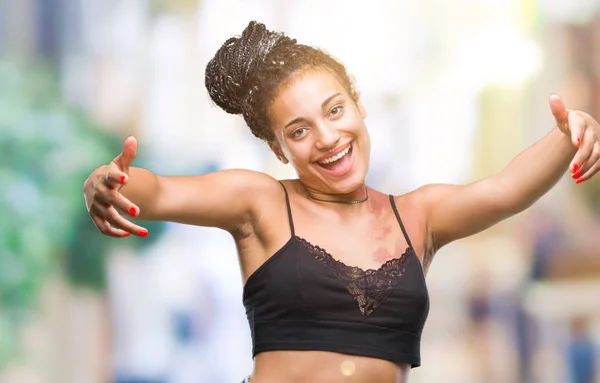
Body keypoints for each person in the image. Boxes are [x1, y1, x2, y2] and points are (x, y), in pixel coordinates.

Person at [83, 21, 600, 383]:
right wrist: (111, 183)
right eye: (300, 129)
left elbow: (505, 189)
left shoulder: (417, 216)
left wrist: (569, 134)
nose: (328, 137)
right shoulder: (260, 203)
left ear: (358, 104)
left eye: (335, 110)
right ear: (277, 148)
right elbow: (160, 189)